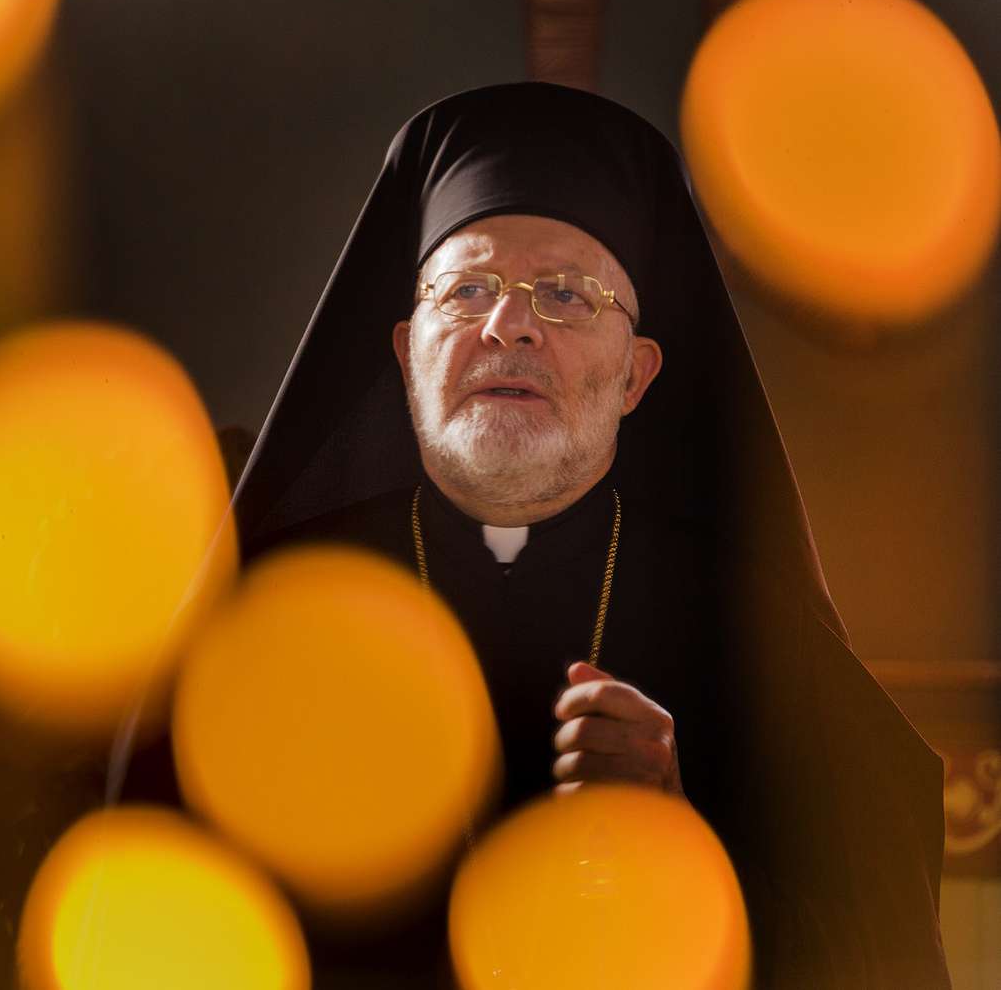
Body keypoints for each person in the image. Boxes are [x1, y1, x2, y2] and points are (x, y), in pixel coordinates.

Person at [237, 83, 950, 988]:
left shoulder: (754, 633)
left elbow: (884, 961)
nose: (511, 323)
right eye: (468, 289)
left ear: (637, 377)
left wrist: (682, 840)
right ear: (407, 352)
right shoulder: (268, 606)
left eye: (568, 295)